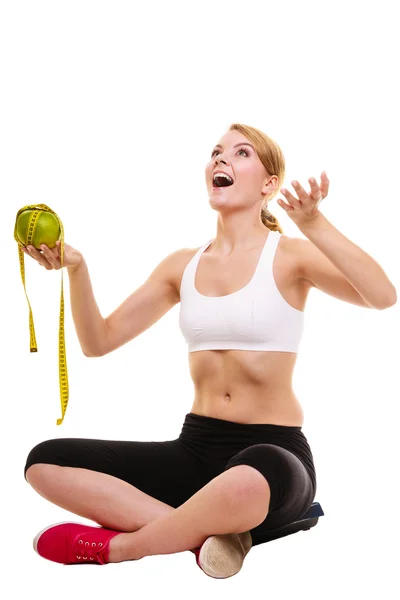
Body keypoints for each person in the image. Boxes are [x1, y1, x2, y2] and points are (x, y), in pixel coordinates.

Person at [23, 123, 397, 579]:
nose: (221, 159)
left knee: (244, 481)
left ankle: (125, 547)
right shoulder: (182, 264)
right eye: (216, 152)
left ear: (269, 184)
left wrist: (315, 223)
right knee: (44, 462)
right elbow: (98, 343)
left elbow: (382, 295)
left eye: (241, 154)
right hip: (195, 449)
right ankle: (212, 537)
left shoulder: (291, 256)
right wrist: (77, 269)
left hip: (272, 454)